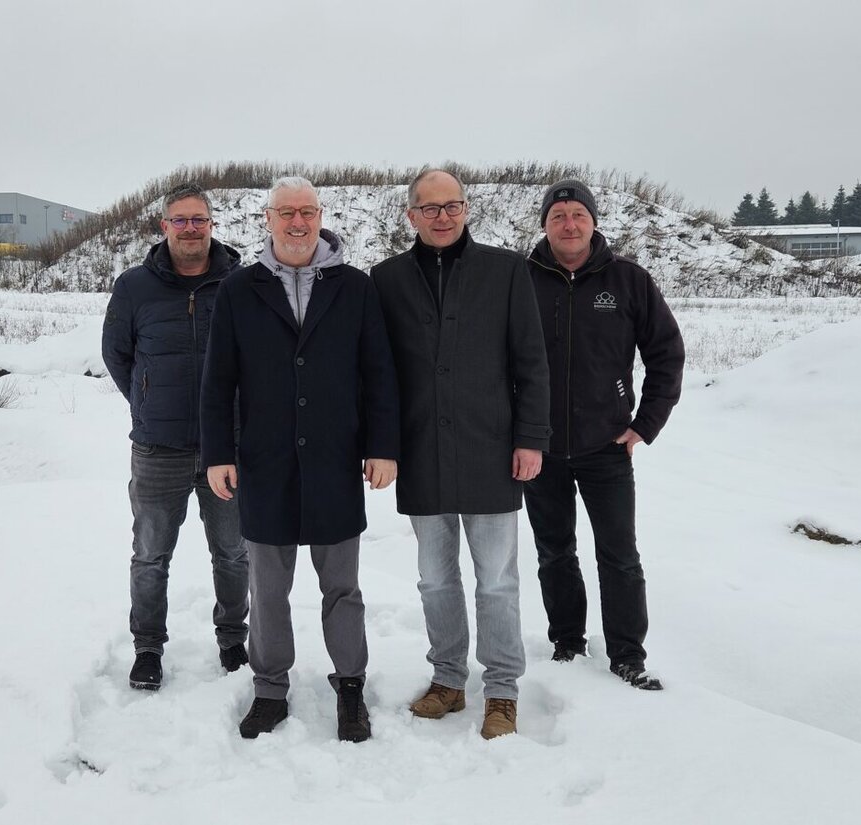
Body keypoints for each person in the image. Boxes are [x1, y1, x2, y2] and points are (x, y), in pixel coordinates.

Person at [201, 176, 400, 742]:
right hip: (264, 462)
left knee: (342, 587)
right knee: (267, 588)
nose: (297, 222)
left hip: (336, 462)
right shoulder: (240, 290)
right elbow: (219, 381)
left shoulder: (355, 288)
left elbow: (378, 373)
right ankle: (269, 689)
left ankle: (351, 686)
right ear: (267, 219)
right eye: (285, 211)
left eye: (307, 211)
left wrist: (382, 446)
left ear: (320, 216)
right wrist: (218, 452)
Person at [371, 169, 551, 739]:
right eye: (430, 208)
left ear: (467, 209)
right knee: (434, 578)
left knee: (497, 579)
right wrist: (383, 447)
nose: (442, 216)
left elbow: (531, 362)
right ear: (412, 216)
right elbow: (379, 375)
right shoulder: (387, 279)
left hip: (491, 448)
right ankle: (448, 680)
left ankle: (501, 690)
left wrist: (531, 438)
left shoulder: (505, 271)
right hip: (421, 452)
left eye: (452, 205)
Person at [525, 178, 684, 690]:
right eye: (558, 216)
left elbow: (666, 354)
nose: (568, 224)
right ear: (545, 224)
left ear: (593, 221)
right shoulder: (520, 280)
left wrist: (646, 423)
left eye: (578, 215)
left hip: (606, 447)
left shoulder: (629, 281)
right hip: (539, 448)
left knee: (619, 554)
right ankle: (567, 642)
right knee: (554, 551)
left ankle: (627, 655)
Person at [102, 182, 249, 692]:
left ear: (212, 225)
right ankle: (147, 649)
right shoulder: (134, 286)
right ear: (164, 227)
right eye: (180, 220)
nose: (190, 229)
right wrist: (146, 402)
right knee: (150, 554)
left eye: (199, 220)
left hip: (226, 449)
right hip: (157, 450)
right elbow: (117, 355)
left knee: (232, 552)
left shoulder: (241, 284)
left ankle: (233, 638)